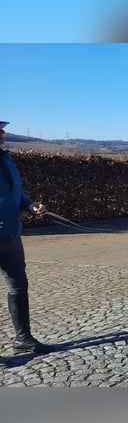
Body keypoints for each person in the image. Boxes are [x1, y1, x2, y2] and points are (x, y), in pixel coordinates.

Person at [0, 121, 52, 354]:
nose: (2, 133)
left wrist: (30, 205)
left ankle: (23, 339)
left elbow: (14, 191)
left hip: (11, 234)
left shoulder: (5, 158)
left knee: (18, 287)